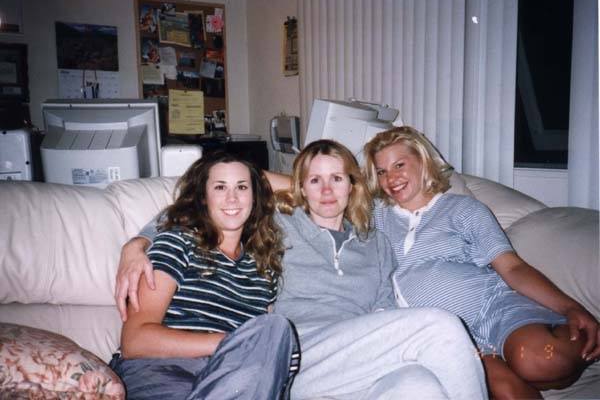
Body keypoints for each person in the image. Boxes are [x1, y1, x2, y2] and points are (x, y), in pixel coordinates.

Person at [116, 140, 489, 399]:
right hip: (295, 353)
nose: (326, 191)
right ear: (300, 189)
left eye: (337, 179)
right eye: (314, 180)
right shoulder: (280, 226)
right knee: (440, 327)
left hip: (355, 356)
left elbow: (385, 307)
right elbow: (219, 199)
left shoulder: (375, 243)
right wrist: (138, 241)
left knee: (418, 386)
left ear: (353, 186)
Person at [362, 126, 600, 398]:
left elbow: (512, 267)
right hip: (451, 338)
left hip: (494, 309)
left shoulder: (462, 209)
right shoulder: (375, 215)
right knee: (505, 390)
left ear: (422, 161)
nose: (391, 178)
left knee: (540, 360)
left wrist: (571, 307)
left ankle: (582, 339)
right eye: (381, 171)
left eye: (399, 165)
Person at [110, 152, 298, 399]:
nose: (232, 197)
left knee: (276, 330)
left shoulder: (264, 267)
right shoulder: (178, 242)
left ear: (255, 198)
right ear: (203, 197)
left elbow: (311, 188)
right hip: (162, 371)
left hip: (231, 379)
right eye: (220, 187)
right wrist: (233, 343)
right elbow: (135, 340)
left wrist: (246, 346)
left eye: (242, 187)